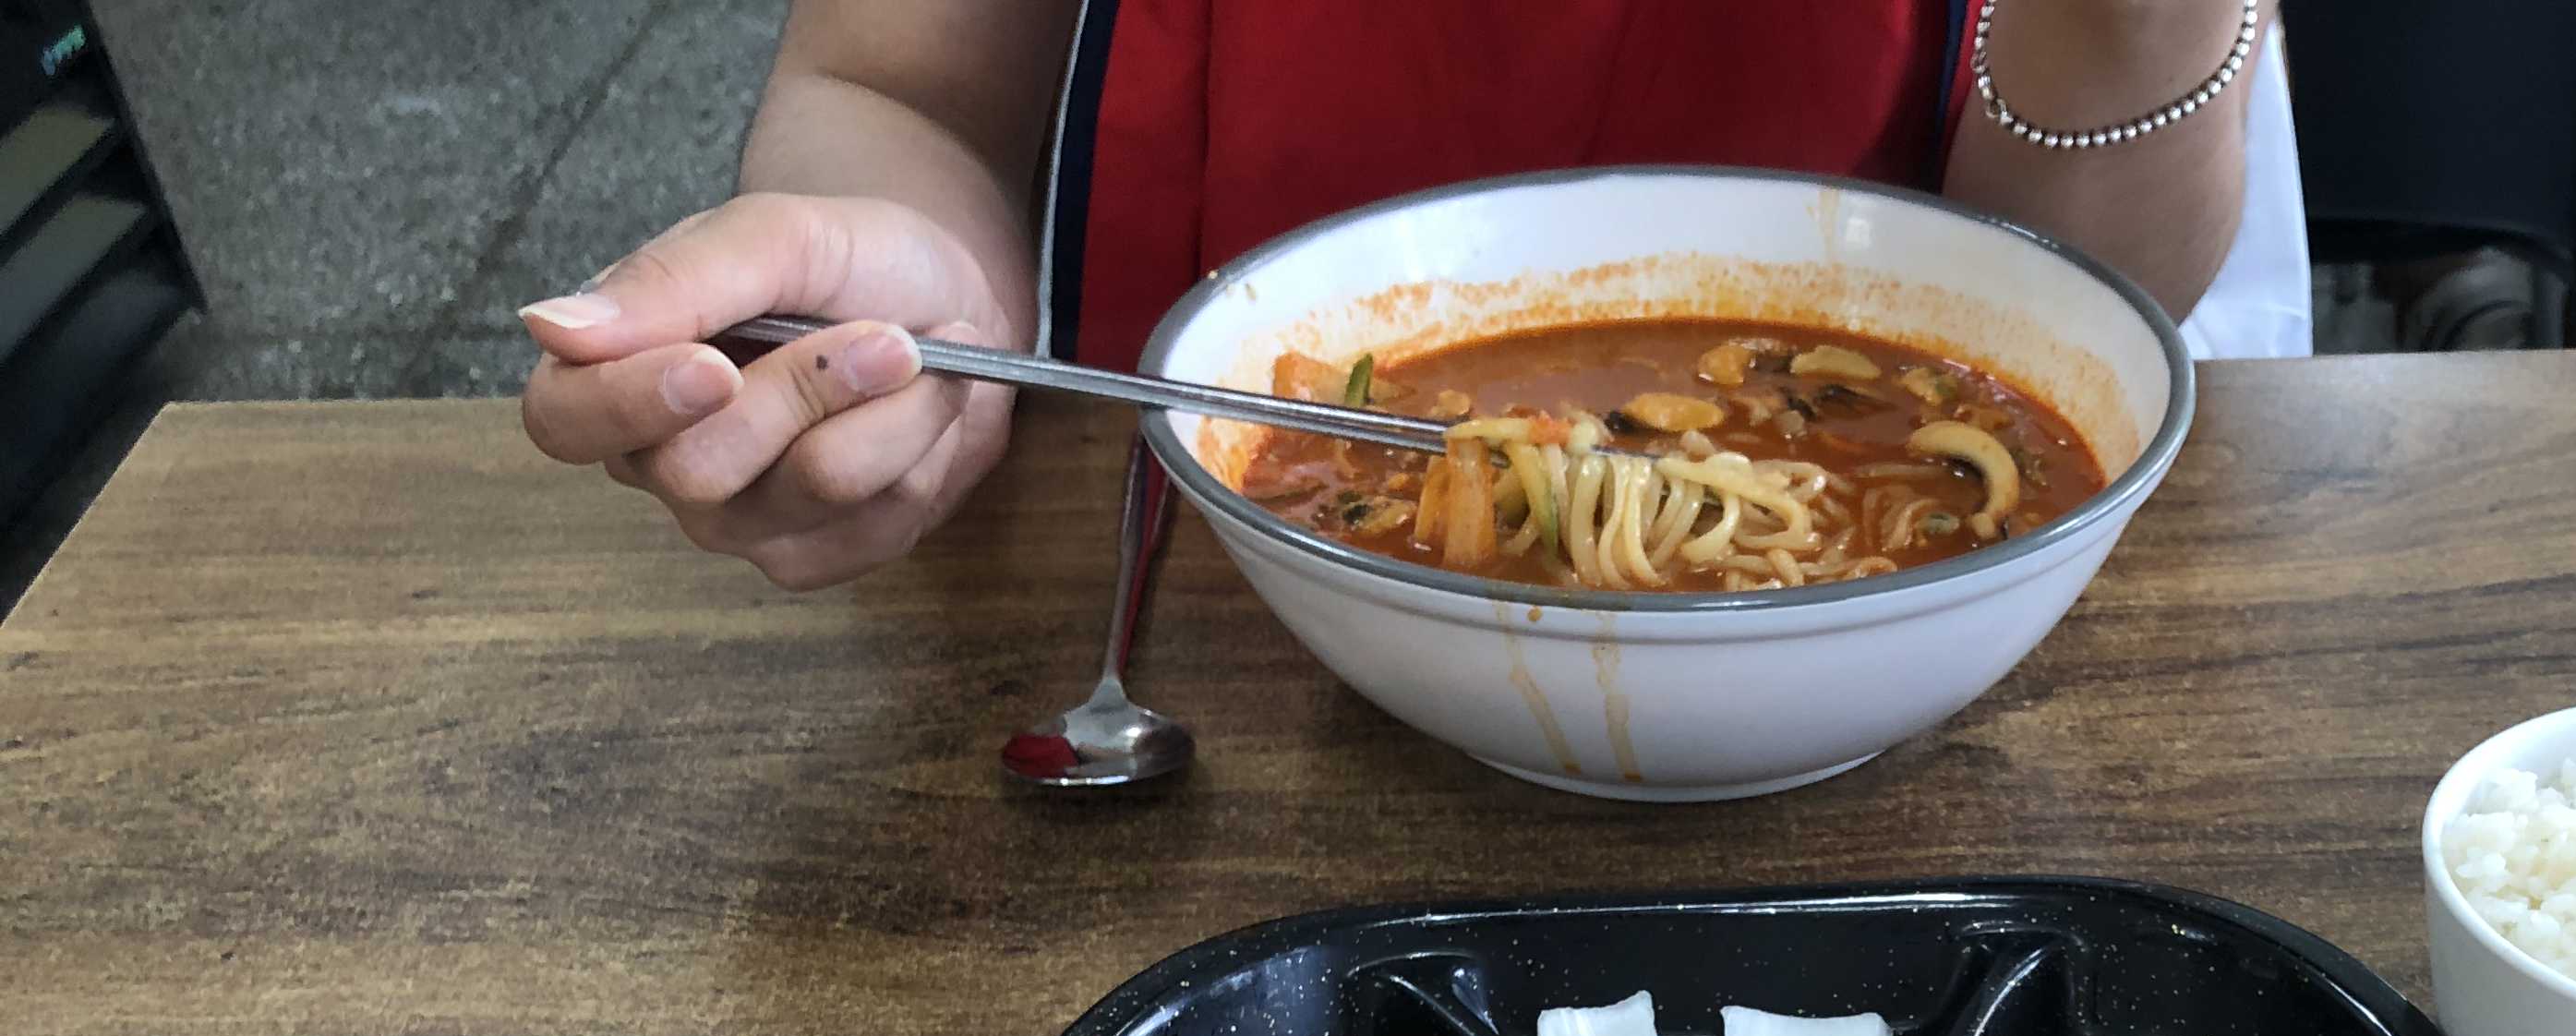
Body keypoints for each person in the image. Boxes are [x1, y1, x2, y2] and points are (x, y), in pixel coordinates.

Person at [521, 0, 2305, 590]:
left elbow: (2071, 308)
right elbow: (900, 78)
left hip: (1897, 686)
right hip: (1185, 628)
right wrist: (909, 292)